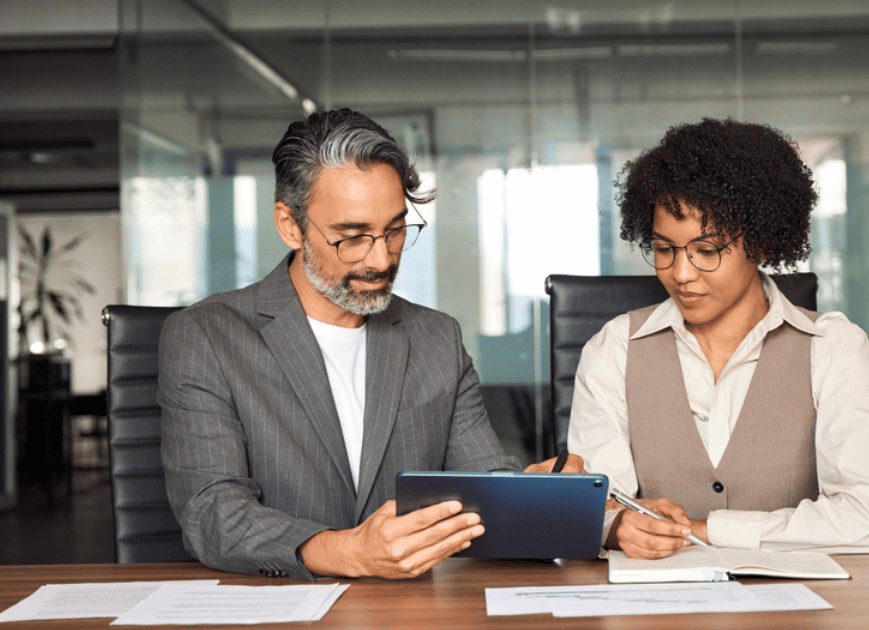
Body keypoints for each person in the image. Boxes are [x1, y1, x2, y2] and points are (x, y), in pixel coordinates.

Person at [158, 108, 574, 581]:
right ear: (290, 226)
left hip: (408, 611)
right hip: (277, 610)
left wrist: (538, 501)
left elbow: (482, 490)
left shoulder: (436, 338)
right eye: (352, 237)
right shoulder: (208, 336)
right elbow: (212, 513)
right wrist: (344, 552)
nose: (381, 258)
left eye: (396, 230)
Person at [567, 118, 869, 559]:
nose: (681, 273)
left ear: (762, 242)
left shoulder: (833, 348)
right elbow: (601, 505)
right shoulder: (614, 348)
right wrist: (616, 527)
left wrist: (708, 530)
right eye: (665, 249)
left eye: (707, 251)